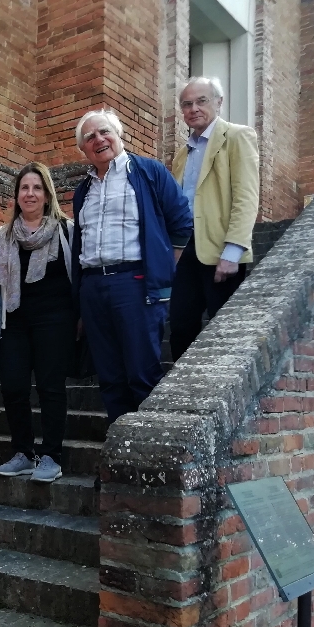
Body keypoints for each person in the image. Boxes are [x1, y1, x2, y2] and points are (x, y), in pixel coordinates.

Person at [70, 110, 193, 425]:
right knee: (110, 377)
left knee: (141, 373)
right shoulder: (83, 191)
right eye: (90, 137)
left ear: (118, 133)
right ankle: (119, 456)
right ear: (83, 150)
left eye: (104, 131)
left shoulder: (148, 171)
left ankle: (145, 452)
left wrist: (165, 269)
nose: (99, 139)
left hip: (134, 282)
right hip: (93, 288)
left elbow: (181, 222)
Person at [0, 162, 74, 483]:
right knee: (13, 388)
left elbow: (80, 278)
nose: (30, 194)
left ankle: (51, 456)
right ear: (17, 196)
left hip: (56, 322)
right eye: (24, 188)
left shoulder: (67, 231)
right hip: (14, 323)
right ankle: (23, 453)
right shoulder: (3, 235)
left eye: (36, 188)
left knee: (50, 388)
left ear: (47, 195)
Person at [169, 76, 259, 360]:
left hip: (221, 249)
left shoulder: (237, 136)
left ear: (219, 103)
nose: (193, 108)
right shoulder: (182, 154)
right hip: (185, 249)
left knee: (223, 331)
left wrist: (232, 251)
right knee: (181, 326)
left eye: (201, 100)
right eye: (187, 104)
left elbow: (246, 196)